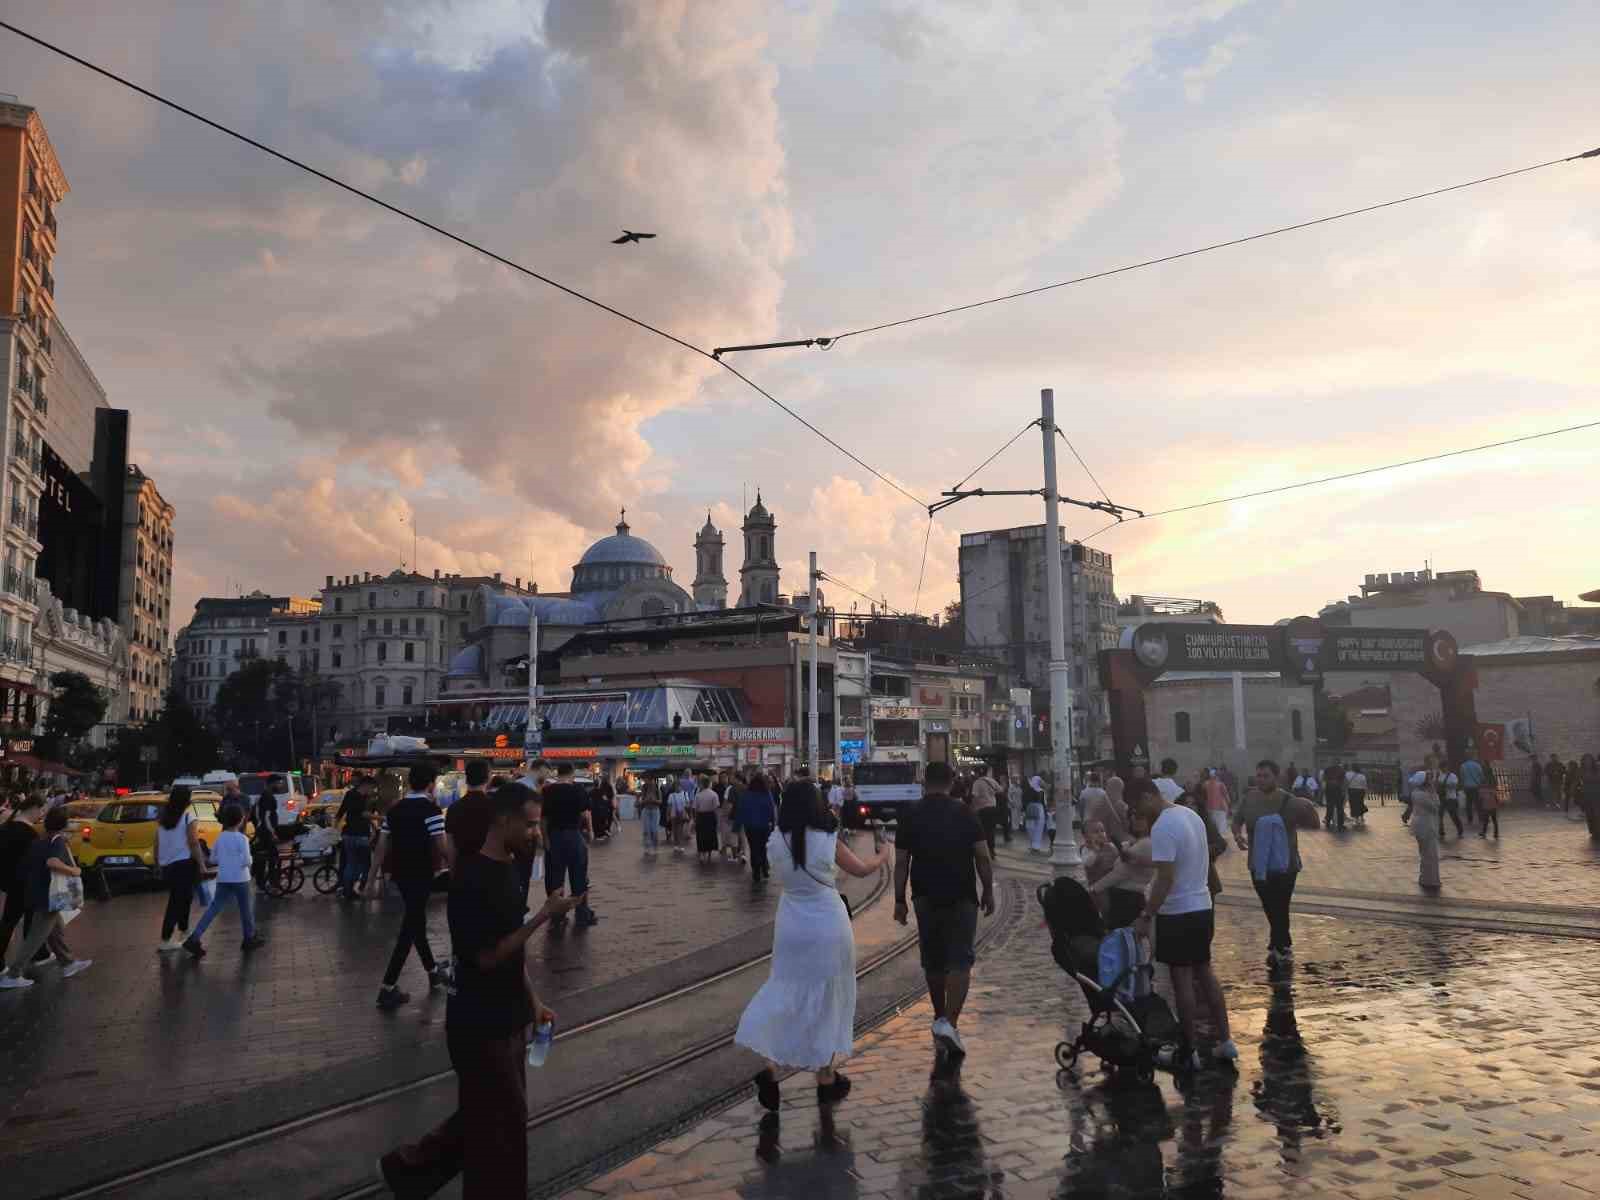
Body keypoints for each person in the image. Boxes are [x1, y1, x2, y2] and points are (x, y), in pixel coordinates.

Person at [379, 785, 583, 1198]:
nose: (535, 833)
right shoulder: (471, 879)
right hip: (478, 1023)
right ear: (502, 821)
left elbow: (513, 952)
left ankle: (409, 1169)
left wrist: (534, 1001)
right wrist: (543, 916)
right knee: (502, 1127)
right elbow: (486, 958)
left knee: (486, 1117)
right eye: (528, 825)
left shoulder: (508, 868)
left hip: (508, 1017)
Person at [736, 779, 890, 1113]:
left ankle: (770, 1067)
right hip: (827, 921)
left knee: (784, 990)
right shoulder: (827, 838)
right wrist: (883, 854)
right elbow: (862, 870)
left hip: (791, 922)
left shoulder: (777, 840)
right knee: (830, 996)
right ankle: (825, 1076)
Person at [1131, 779, 1236, 1068]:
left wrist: (1146, 915)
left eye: (1138, 807)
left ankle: (1188, 1052)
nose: (1138, 814)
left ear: (1148, 796)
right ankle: (1225, 1042)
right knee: (1204, 972)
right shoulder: (1191, 816)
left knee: (1182, 981)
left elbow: (1165, 878)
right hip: (1202, 905)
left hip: (1177, 911)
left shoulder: (1164, 826)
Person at [892, 761, 994, 1057]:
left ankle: (939, 1017)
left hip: (924, 896)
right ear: (951, 781)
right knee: (960, 960)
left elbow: (901, 862)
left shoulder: (910, 814)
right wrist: (987, 889)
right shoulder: (966, 812)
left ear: (924, 781)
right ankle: (950, 1023)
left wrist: (899, 900)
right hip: (962, 895)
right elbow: (983, 857)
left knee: (933, 959)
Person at [368, 763, 451, 1011]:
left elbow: (382, 848)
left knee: (416, 924)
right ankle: (388, 987)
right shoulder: (431, 810)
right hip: (422, 875)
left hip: (401, 876)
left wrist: (370, 880)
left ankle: (433, 971)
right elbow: (442, 846)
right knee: (409, 930)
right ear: (430, 784)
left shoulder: (394, 811)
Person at [1231, 760, 1320, 964]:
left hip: (1285, 864)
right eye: (1258, 775)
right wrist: (1237, 836)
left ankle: (1280, 946)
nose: (1261, 779)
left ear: (1276, 777)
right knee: (1269, 904)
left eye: (1265, 776)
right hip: (1258, 863)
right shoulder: (1249, 798)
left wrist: (1308, 808)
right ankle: (1282, 941)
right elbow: (1237, 820)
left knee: (1280, 904)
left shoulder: (1289, 801)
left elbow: (1314, 824)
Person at [0, 806, 91, 988]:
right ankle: (13, 974)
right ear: (63, 824)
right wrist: (74, 870)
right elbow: (52, 862)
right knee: (35, 938)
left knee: (55, 931)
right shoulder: (56, 842)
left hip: (37, 892)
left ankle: (68, 963)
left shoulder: (41, 840)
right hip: (48, 896)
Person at [184, 804, 265, 956]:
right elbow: (247, 861)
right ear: (241, 820)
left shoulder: (220, 838)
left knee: (214, 908)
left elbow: (213, 858)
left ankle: (194, 938)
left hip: (223, 878)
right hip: (241, 878)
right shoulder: (242, 839)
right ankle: (249, 938)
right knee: (245, 909)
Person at [542, 764, 598, 928]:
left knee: (554, 878)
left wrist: (545, 839)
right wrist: (591, 831)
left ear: (558, 773)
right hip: (574, 836)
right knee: (579, 876)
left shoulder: (547, 791)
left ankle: (557, 916)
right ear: (572, 774)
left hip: (555, 837)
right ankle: (582, 914)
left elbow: (543, 819)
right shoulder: (578, 790)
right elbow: (585, 813)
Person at [156, 786, 206, 953]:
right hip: (184, 864)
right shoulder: (188, 817)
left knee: (184, 898)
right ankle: (166, 938)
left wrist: (158, 863)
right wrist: (202, 863)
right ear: (186, 800)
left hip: (168, 866)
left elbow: (156, 843)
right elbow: (193, 842)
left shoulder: (163, 819)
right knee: (177, 902)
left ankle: (184, 931)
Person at [1089, 809, 1154, 930]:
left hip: (1127, 900)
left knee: (1120, 940)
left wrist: (1095, 888)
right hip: (1125, 898)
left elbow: (1122, 872)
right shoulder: (1136, 842)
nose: (1134, 820)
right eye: (1132, 817)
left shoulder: (1146, 844)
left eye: (1140, 817)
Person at [0, 793, 45, 964]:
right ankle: (34, 956)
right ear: (33, 808)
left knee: (13, 921)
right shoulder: (28, 833)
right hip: (24, 883)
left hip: (9, 882)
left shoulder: (6, 826)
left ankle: (39, 953)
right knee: (17, 922)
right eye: (41, 810)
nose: (41, 815)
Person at [1406, 756, 1445, 890]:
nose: (1431, 781)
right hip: (1426, 825)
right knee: (1430, 854)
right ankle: (1431, 880)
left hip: (1421, 825)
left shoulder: (1416, 793)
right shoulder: (1422, 795)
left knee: (1425, 853)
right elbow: (1436, 806)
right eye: (1428, 779)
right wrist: (1434, 792)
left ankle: (1424, 877)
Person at [445, 761, 495, 863]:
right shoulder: (496, 807)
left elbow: (450, 846)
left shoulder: (454, 808)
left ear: (466, 779)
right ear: (488, 779)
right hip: (491, 869)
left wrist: (453, 872)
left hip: (463, 868)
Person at [737, 772, 779, 887]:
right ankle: (765, 869)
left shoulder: (746, 794)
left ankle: (756, 872)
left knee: (754, 848)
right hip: (764, 826)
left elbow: (741, 810)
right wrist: (773, 823)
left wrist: (737, 825)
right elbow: (771, 809)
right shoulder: (767, 794)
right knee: (763, 848)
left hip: (750, 826)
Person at [337, 779, 375, 899]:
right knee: (363, 863)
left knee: (351, 862)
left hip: (348, 834)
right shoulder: (359, 797)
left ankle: (347, 890)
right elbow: (363, 814)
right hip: (360, 835)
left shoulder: (349, 794)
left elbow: (341, 810)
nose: (371, 791)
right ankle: (355, 887)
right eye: (371, 788)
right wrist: (381, 818)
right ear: (366, 785)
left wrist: (335, 828)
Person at [967, 766, 1001, 857]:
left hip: (982, 809)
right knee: (991, 830)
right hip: (993, 808)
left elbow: (974, 796)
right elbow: (1000, 790)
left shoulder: (977, 783)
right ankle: (992, 849)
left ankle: (985, 850)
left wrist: (972, 808)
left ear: (978, 773)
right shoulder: (992, 781)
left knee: (983, 830)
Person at [693, 774, 721, 863]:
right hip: (711, 817)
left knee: (701, 835)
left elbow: (695, 809)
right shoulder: (714, 794)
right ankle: (709, 853)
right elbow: (716, 809)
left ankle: (702, 854)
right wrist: (717, 820)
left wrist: (695, 819)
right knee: (710, 835)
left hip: (701, 816)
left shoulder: (698, 795)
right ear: (709, 784)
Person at [1200, 769, 1232, 842]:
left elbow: (1202, 796)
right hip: (1219, 808)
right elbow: (1226, 796)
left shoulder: (1205, 784)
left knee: (1213, 825)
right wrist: (1229, 805)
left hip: (1210, 808)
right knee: (1219, 827)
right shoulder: (1220, 784)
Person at [1437, 761, 1464, 840]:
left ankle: (1460, 830)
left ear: (1446, 767)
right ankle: (1441, 831)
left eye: (1443, 767)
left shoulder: (1452, 776)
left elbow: (1454, 785)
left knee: (1453, 815)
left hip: (1451, 798)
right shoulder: (1440, 775)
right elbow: (1438, 785)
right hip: (1442, 798)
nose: (1442, 769)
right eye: (1441, 768)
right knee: (1440, 815)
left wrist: (1444, 785)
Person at [638, 778, 663, 855]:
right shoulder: (644, 789)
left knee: (654, 830)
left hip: (655, 811)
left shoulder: (657, 789)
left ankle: (655, 847)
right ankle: (647, 848)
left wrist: (654, 800)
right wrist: (646, 800)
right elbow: (640, 802)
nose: (649, 781)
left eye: (651, 780)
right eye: (648, 780)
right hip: (646, 810)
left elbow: (660, 801)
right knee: (646, 831)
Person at [1458, 752, 1484, 827]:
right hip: (1476, 786)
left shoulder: (1463, 766)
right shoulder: (1477, 765)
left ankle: (1470, 819)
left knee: (1468, 803)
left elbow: (1462, 777)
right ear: (1473, 757)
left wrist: (1463, 785)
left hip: (1467, 787)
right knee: (1478, 803)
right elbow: (1481, 775)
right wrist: (1480, 782)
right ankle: (1480, 818)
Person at [667, 775, 692, 854]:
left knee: (681, 830)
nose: (677, 788)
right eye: (676, 786)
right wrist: (667, 815)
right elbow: (669, 806)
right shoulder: (671, 795)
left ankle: (680, 845)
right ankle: (676, 845)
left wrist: (687, 809)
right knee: (675, 830)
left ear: (681, 786)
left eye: (679, 786)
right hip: (673, 815)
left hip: (682, 815)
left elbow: (688, 805)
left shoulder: (685, 794)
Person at [1479, 760, 1503, 839]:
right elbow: (1495, 789)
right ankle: (1495, 833)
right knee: (1494, 819)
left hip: (1486, 800)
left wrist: (1481, 797)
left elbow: (1481, 790)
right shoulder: (1493, 778)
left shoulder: (1483, 779)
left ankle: (1484, 832)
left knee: (1486, 818)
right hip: (1492, 800)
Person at [1023, 777, 1047, 853]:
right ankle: (1035, 846)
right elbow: (1043, 803)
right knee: (1037, 828)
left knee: (1031, 827)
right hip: (1039, 810)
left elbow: (1024, 801)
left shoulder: (1028, 790)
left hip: (1030, 809)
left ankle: (1033, 845)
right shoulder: (1041, 791)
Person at [1579, 755, 1600, 840]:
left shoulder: (1597, 769)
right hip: (1586, 795)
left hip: (1597, 794)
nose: (1588, 762)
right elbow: (1577, 781)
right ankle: (1593, 831)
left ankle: (1598, 831)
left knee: (1597, 814)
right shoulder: (1581, 770)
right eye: (1586, 760)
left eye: (1589, 760)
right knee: (1589, 814)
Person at [1321, 762, 1346, 832]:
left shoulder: (1327, 770)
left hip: (1329, 790)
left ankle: (1328, 822)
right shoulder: (1341, 770)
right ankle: (1340, 825)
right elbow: (1343, 781)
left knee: (1329, 807)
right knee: (1339, 808)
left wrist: (1324, 788)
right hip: (1338, 790)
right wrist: (1343, 791)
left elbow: (1324, 779)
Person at [1006, 774, 1023, 843]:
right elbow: (1009, 796)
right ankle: (1014, 829)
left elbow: (1021, 795)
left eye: (1017, 778)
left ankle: (1018, 827)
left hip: (1019, 804)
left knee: (1019, 816)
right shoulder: (1011, 787)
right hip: (1013, 805)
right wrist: (1012, 802)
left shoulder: (1019, 787)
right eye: (1015, 778)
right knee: (1014, 816)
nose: (1016, 780)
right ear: (1013, 779)